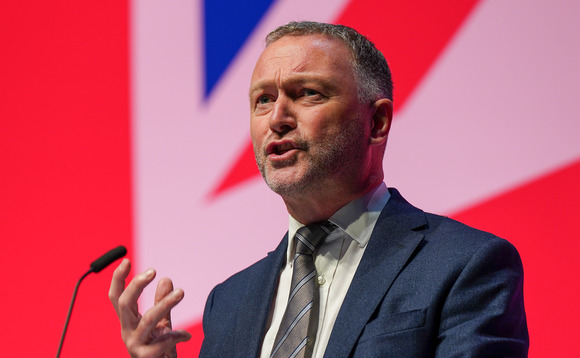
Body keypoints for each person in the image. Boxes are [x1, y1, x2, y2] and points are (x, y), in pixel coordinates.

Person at [109, 21, 529, 357]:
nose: (277, 118)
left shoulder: (464, 266)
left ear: (377, 122)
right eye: (262, 99)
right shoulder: (230, 303)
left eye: (307, 93)